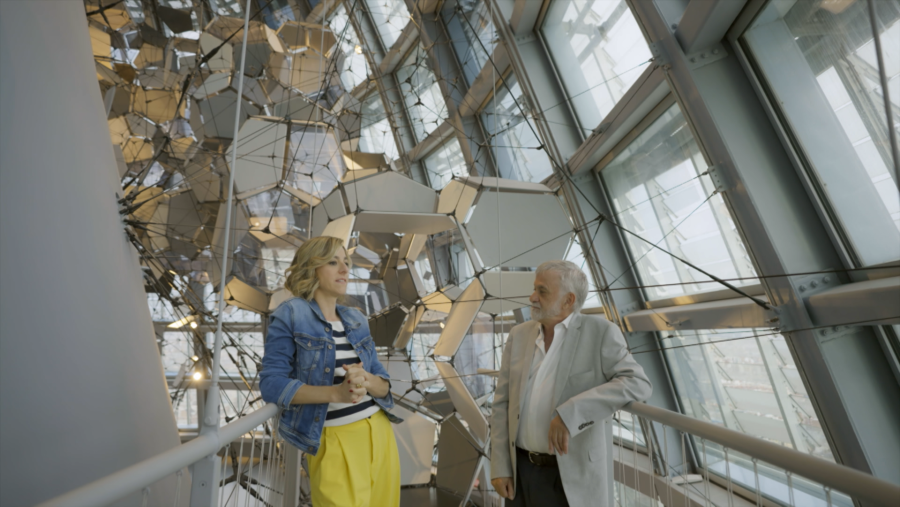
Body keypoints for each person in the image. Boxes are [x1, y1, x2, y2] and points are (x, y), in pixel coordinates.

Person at [490, 260, 652, 507]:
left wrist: (572, 412)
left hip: (570, 477)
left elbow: (638, 383)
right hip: (520, 472)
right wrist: (500, 466)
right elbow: (502, 403)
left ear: (568, 300)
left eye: (542, 291)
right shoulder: (519, 335)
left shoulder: (600, 332)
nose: (532, 297)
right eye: (535, 289)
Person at [259, 236, 400, 507]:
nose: (345, 269)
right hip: (334, 439)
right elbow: (271, 384)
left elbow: (384, 385)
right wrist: (335, 393)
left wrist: (365, 379)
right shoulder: (290, 314)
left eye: (346, 262)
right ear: (311, 268)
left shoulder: (356, 318)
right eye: (333, 262)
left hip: (379, 432)